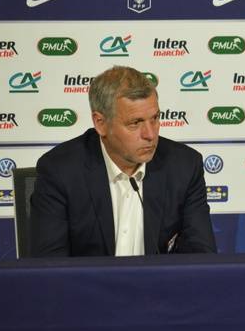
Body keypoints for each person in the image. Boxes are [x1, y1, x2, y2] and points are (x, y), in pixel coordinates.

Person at [30, 66, 216, 256]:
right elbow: (50, 267)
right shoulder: (60, 170)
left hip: (159, 286)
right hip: (88, 286)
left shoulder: (184, 166)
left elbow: (201, 258)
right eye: (135, 123)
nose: (150, 134)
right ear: (100, 123)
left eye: (155, 118)